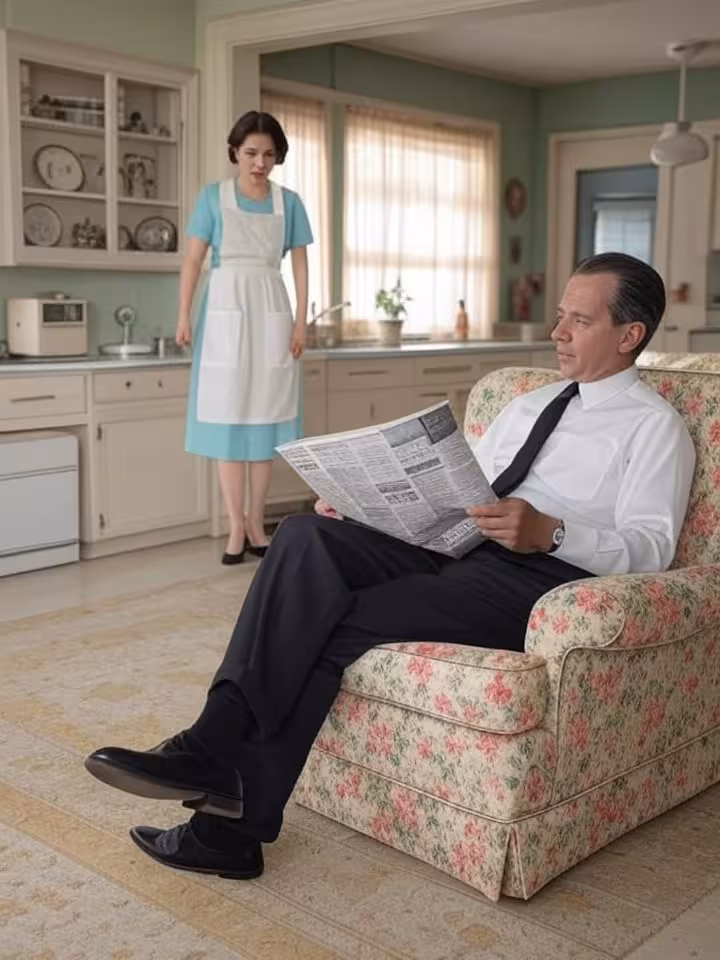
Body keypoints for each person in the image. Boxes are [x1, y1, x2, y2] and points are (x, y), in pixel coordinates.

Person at [86, 253, 696, 880]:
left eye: (580, 320)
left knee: (331, 622)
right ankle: (210, 746)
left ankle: (223, 822)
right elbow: (465, 493)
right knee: (304, 534)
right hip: (453, 542)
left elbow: (653, 548)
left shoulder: (654, 428)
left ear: (630, 336)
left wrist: (552, 531)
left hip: (533, 579)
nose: (558, 333)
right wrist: (362, 505)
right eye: (560, 316)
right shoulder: (526, 404)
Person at [178, 110, 313, 564]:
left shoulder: (288, 202)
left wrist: (300, 321)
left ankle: (258, 522)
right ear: (235, 151)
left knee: (265, 421)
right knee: (227, 421)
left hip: (271, 312)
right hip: (224, 314)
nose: (260, 162)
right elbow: (194, 262)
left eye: (269, 154)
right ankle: (235, 526)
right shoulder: (212, 198)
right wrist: (183, 315)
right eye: (252, 153)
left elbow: (299, 264)